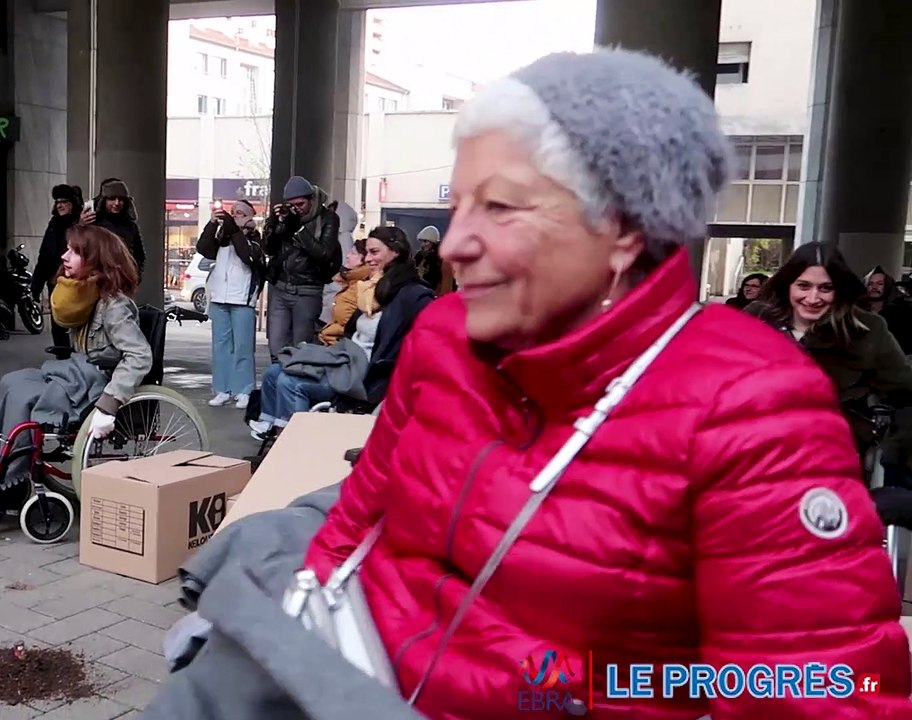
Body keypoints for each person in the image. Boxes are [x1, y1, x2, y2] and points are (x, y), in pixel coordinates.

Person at [142, 49, 912, 719]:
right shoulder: (446, 334)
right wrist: (300, 610)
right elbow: (363, 508)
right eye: (460, 204)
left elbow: (829, 685)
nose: (460, 242)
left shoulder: (758, 406)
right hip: (345, 670)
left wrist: (604, 687)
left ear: (626, 231)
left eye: (501, 207)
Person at [0, 225, 152, 503]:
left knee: (23, 396)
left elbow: (139, 356)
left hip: (94, 384)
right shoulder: (89, 294)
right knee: (11, 382)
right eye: (66, 249)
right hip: (76, 373)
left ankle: (10, 483)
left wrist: (109, 404)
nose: (64, 256)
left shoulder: (114, 306)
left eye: (74, 252)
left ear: (96, 260)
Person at [249, 227, 431, 438]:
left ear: (395, 252)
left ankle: (293, 446)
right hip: (346, 359)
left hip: (369, 375)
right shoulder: (371, 288)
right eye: (367, 253)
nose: (368, 258)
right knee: (274, 373)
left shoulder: (413, 295)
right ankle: (274, 433)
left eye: (375, 252)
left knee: (290, 382)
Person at [746, 243, 912, 475]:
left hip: (831, 457)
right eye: (803, 286)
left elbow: (904, 388)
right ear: (787, 285)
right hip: (754, 451)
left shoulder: (866, 330)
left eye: (825, 288)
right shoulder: (755, 319)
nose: (813, 298)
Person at [262, 176, 342, 359]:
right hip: (281, 287)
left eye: (300, 204)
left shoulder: (328, 218)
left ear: (312, 199)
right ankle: (278, 384)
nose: (296, 209)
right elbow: (269, 249)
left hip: (308, 289)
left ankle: (293, 385)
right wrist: (273, 223)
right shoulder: (287, 218)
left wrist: (298, 229)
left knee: (301, 349)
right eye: (291, 205)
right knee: (276, 346)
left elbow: (323, 253)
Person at [196, 200, 264, 409]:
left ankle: (244, 389)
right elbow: (204, 249)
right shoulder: (222, 237)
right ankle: (221, 389)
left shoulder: (255, 238)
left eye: (240, 213)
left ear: (250, 217)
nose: (234, 217)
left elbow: (247, 256)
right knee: (221, 346)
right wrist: (211, 225)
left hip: (242, 299)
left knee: (243, 347)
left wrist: (235, 231)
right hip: (219, 297)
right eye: (232, 213)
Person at [34, 184, 85, 353]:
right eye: (57, 202)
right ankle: (62, 359)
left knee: (78, 323)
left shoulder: (80, 225)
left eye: (64, 202)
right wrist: (36, 285)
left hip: (76, 282)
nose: (60, 205)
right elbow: (44, 255)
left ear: (73, 203)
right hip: (54, 282)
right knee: (58, 323)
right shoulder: (53, 225)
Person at [80, 178, 146, 280]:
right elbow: (76, 248)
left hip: (122, 282)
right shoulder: (92, 222)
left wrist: (135, 276)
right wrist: (81, 226)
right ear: (104, 200)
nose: (117, 203)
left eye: (121, 199)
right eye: (112, 198)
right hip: (95, 282)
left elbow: (139, 255)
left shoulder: (130, 226)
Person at [318, 239, 372, 346]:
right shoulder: (351, 283)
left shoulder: (361, 287)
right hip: (334, 342)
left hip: (342, 345)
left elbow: (350, 324)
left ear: (364, 259)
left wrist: (327, 332)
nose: (347, 256)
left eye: (353, 253)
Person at [860, 265, 912, 353]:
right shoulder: (857, 312)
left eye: (880, 283)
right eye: (870, 283)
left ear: (887, 286)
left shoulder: (900, 313)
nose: (874, 287)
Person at [413, 225, 454, 295]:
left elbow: (446, 284)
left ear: (433, 242)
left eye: (425, 241)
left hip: (434, 296)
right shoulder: (418, 256)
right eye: (421, 241)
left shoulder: (442, 259)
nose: (423, 245)